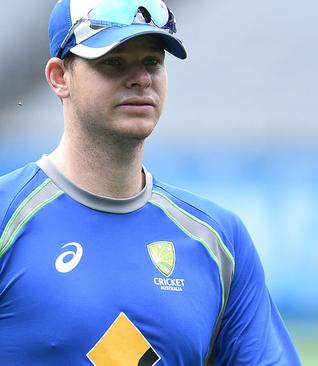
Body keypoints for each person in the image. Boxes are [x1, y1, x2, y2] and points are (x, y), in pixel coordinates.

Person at [0, 0, 301, 364]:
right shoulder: (7, 215)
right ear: (60, 77)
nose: (140, 78)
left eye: (152, 62)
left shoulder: (218, 239)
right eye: (113, 61)